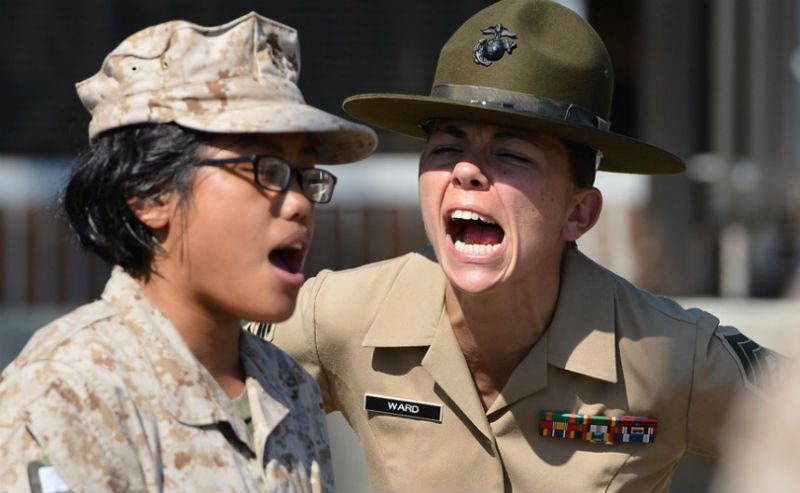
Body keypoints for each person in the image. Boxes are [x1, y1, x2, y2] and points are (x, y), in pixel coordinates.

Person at [249, 1, 778, 492]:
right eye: (447, 147)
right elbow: (186, 365)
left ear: (578, 213)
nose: (466, 171)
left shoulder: (667, 354)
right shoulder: (341, 316)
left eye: (512, 155)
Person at [0, 12, 376, 493]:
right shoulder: (70, 388)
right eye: (267, 169)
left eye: (305, 175)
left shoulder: (289, 388)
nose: (300, 202)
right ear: (150, 192)